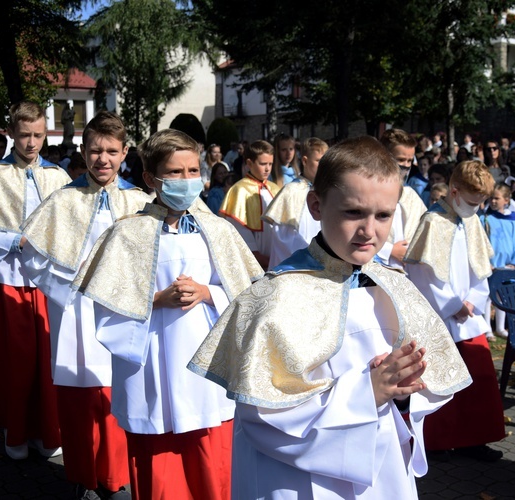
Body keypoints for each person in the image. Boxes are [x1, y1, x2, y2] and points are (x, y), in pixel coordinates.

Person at [189, 135, 470, 499]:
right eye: (354, 212)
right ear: (317, 205)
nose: (370, 231)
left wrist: (404, 393)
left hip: (381, 467)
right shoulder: (274, 296)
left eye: (383, 215)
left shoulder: (397, 288)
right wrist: (366, 391)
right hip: (296, 480)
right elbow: (263, 417)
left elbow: (426, 389)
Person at [74, 129, 263, 500]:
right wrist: (156, 299)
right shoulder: (128, 234)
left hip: (207, 372)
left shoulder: (217, 230)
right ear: (150, 179)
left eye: (193, 170)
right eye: (175, 173)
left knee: (214, 466)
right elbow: (107, 307)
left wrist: (210, 292)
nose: (187, 180)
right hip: (152, 370)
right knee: (161, 473)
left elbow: (251, 296)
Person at [20, 111, 152, 498]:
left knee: (117, 396)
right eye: (96, 150)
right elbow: (33, 258)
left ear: (125, 152)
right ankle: (81, 475)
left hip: (123, 313)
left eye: (112, 151)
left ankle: (116, 476)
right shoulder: (63, 200)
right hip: (74, 313)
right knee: (78, 398)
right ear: (84, 149)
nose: (103, 159)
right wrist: (74, 280)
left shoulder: (139, 202)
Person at [0, 101, 71, 459]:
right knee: (16, 360)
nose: (32, 142)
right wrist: (16, 240)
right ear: (11, 134)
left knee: (50, 359)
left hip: (49, 283)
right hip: (9, 279)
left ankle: (49, 430)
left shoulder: (58, 176)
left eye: (38, 135)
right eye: (24, 135)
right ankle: (17, 431)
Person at [405, 160, 506, 461]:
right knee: (440, 379)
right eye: (472, 201)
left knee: (479, 379)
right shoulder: (432, 222)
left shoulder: (471, 220)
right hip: (441, 317)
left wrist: (474, 299)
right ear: (454, 191)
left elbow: (481, 268)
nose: (476, 208)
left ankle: (475, 439)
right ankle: (438, 442)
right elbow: (423, 273)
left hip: (469, 315)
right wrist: (452, 305)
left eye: (481, 202)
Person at [263, 137, 329, 268]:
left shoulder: (328, 191)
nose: (323, 166)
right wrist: (312, 255)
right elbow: (283, 237)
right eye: (318, 161)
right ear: (305, 161)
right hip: (300, 264)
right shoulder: (291, 191)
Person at [219, 140, 280, 269]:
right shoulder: (239, 190)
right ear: (249, 163)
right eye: (263, 164)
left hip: (276, 256)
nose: (268, 168)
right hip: (254, 260)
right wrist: (255, 255)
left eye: (270, 163)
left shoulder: (274, 188)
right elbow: (238, 228)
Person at [481, 183, 515, 340]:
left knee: (502, 296)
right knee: (488, 296)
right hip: (490, 264)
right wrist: (484, 261)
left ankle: (500, 327)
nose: (493, 201)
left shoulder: (513, 222)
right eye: (491, 198)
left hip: (505, 265)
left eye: (497, 198)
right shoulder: (484, 218)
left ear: (506, 200)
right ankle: (487, 327)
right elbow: (480, 241)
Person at [379, 128, 426, 268]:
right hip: (375, 272)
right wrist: (389, 250)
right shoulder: (367, 193)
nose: (405, 166)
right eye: (400, 160)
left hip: (408, 273)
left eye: (409, 161)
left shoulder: (411, 196)